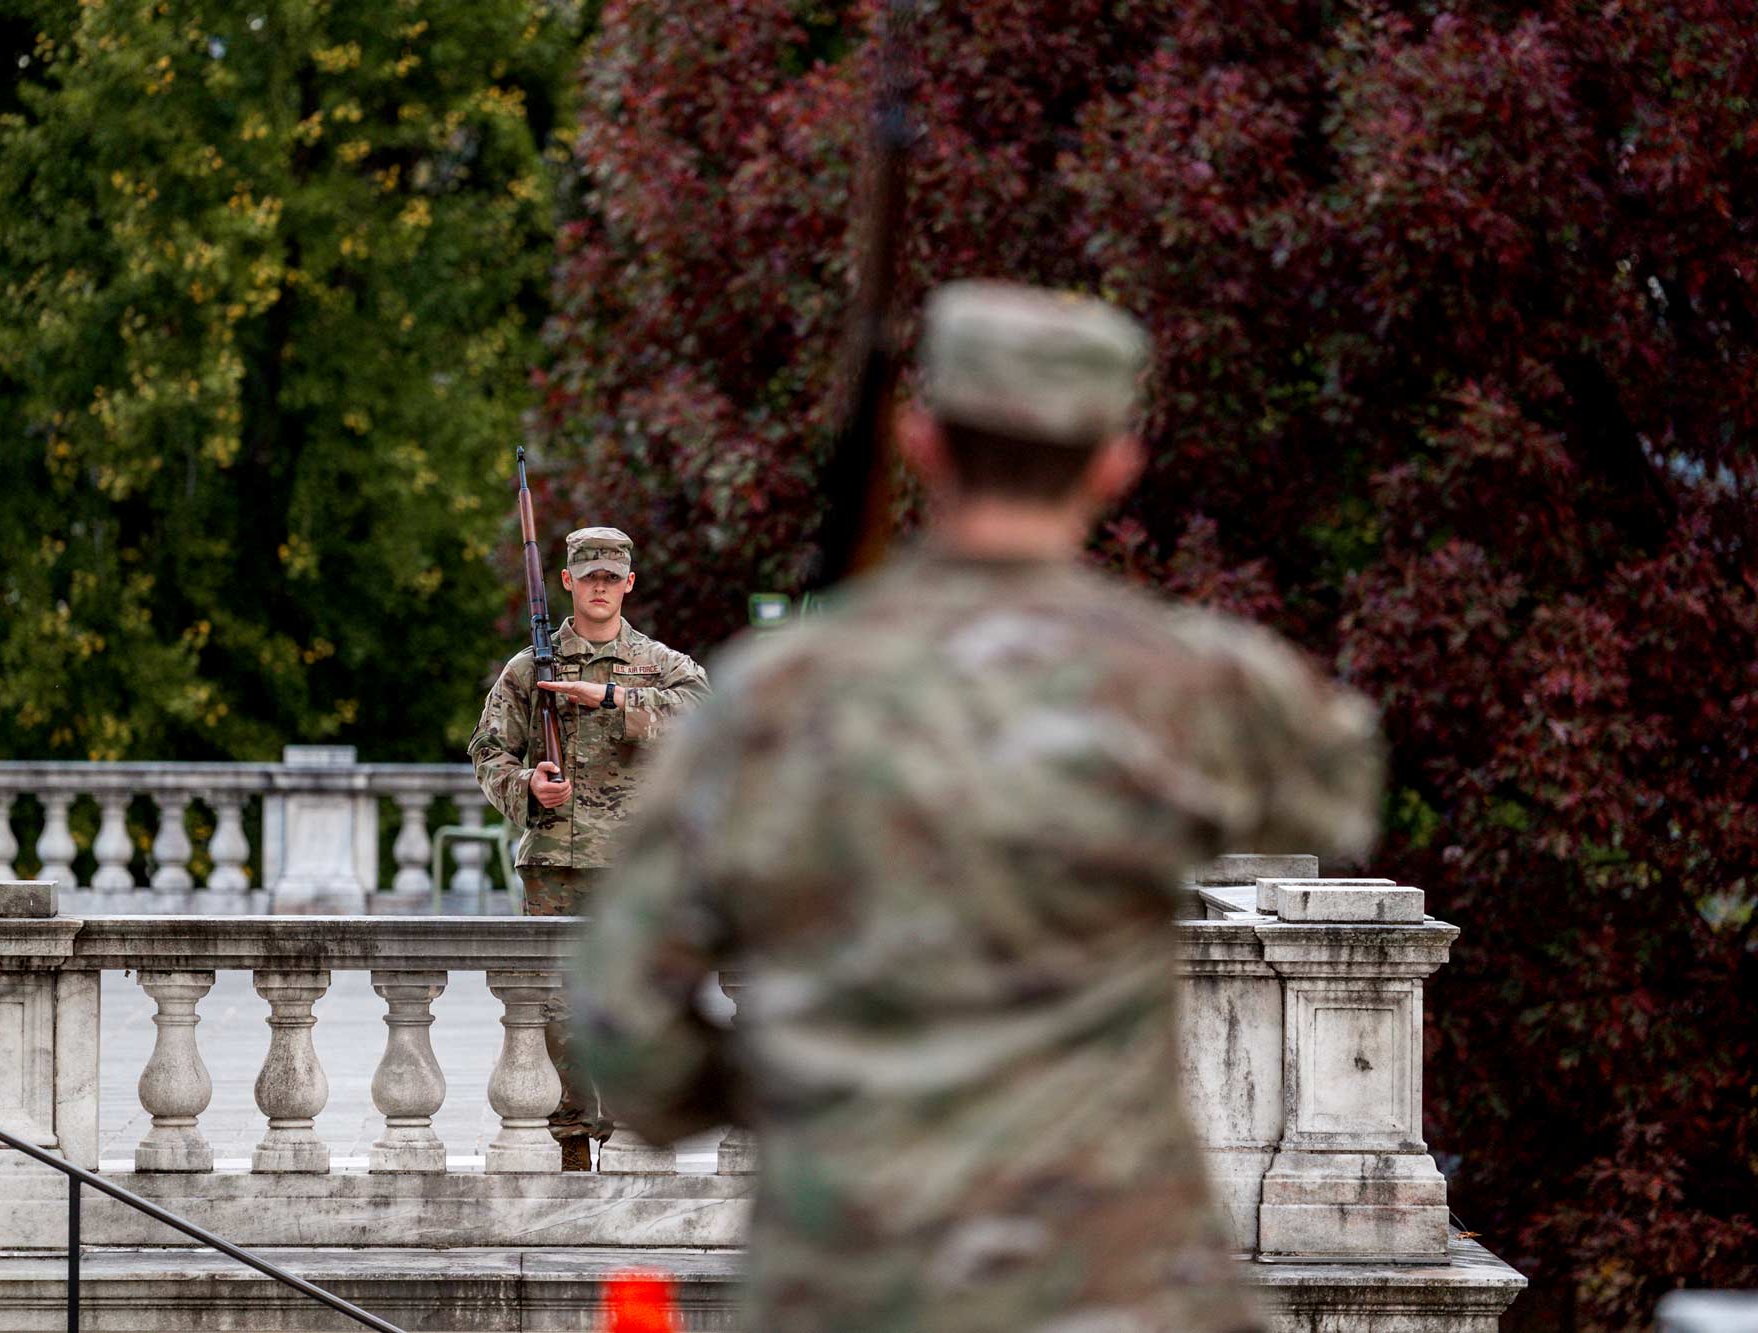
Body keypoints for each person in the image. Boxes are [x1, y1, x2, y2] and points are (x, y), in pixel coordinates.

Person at [572, 282, 1384, 1329]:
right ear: (1111, 464)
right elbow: (1337, 796)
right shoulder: (1194, 685)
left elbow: (621, 1027)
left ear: (921, 443)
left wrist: (787, 1083)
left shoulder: (769, 697)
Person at [469, 524, 709, 1170]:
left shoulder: (660, 664)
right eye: (588, 576)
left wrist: (609, 695)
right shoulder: (530, 669)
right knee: (555, 1009)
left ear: (628, 584)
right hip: (555, 865)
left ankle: (634, 1137)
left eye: (612, 577)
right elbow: (487, 751)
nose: (600, 587)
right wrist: (527, 785)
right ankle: (571, 1139)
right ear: (569, 582)